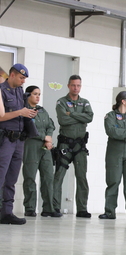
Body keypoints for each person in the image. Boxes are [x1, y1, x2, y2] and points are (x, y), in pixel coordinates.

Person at [0, 64, 38, 225]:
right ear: (13, 75)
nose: (23, 81)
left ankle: (7, 212)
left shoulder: (20, 91)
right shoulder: (1, 91)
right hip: (5, 140)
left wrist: (28, 115)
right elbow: (1, 117)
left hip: (18, 140)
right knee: (0, 176)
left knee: (12, 178)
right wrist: (21, 112)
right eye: (22, 78)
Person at [53, 75, 93, 218]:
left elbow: (90, 117)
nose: (76, 88)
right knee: (59, 176)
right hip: (65, 144)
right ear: (68, 86)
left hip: (80, 145)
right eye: (73, 85)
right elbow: (63, 119)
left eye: (78, 85)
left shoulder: (85, 103)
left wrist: (73, 114)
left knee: (82, 177)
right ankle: (55, 207)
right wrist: (79, 117)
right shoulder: (62, 102)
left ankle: (82, 208)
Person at [22, 86, 62, 217]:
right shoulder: (24, 110)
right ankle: (30, 208)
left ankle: (48, 208)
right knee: (30, 177)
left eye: (39, 94)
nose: (38, 96)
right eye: (35, 94)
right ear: (28, 95)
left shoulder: (42, 110)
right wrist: (43, 137)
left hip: (45, 148)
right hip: (32, 145)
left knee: (48, 177)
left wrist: (49, 138)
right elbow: (26, 128)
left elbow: (51, 125)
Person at [99, 91, 126, 219]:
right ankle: (109, 212)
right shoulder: (110, 116)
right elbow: (112, 132)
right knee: (113, 182)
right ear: (123, 101)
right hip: (115, 153)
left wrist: (124, 133)